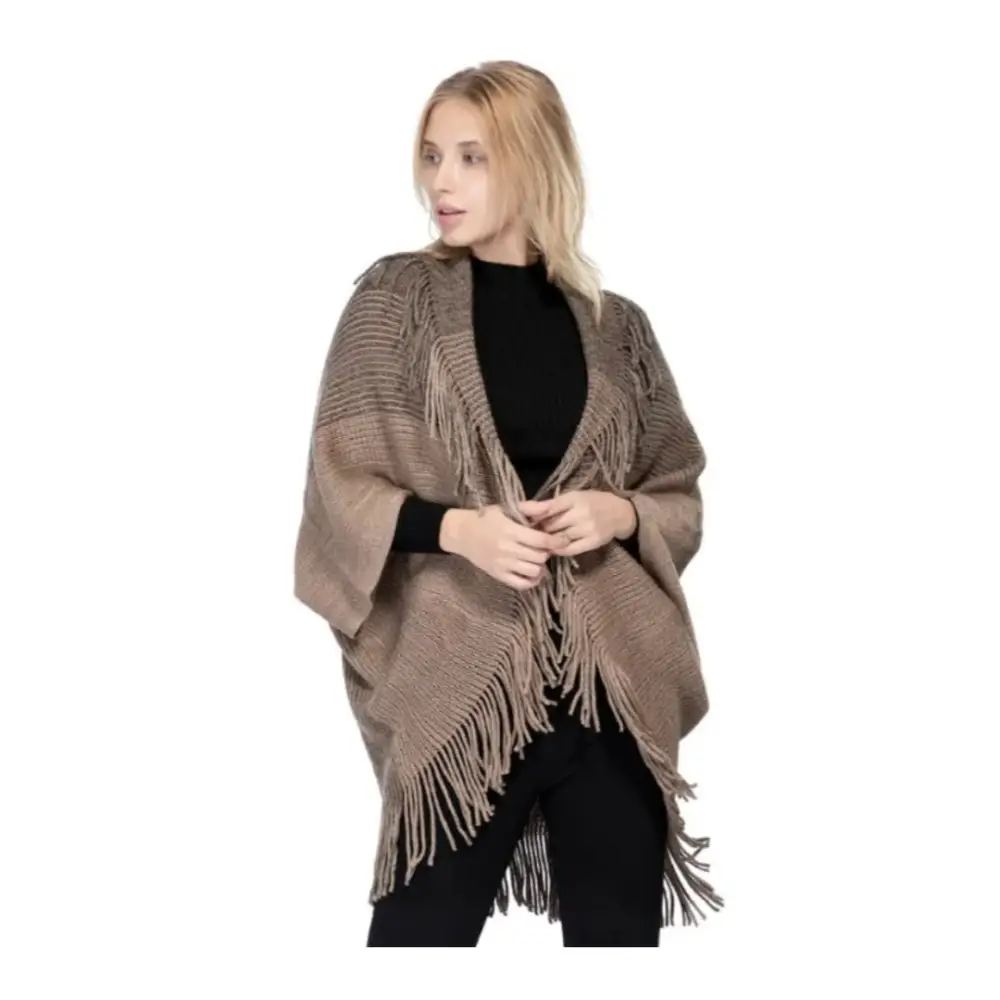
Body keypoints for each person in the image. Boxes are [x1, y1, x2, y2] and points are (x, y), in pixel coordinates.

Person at [293, 60, 722, 947]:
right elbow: (339, 487)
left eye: (472, 157)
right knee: (416, 941)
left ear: (534, 163)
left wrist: (619, 515)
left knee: (619, 951)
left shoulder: (618, 328)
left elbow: (677, 491)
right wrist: (461, 531)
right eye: (431, 155)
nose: (440, 183)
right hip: (462, 687)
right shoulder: (394, 303)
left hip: (610, 693)